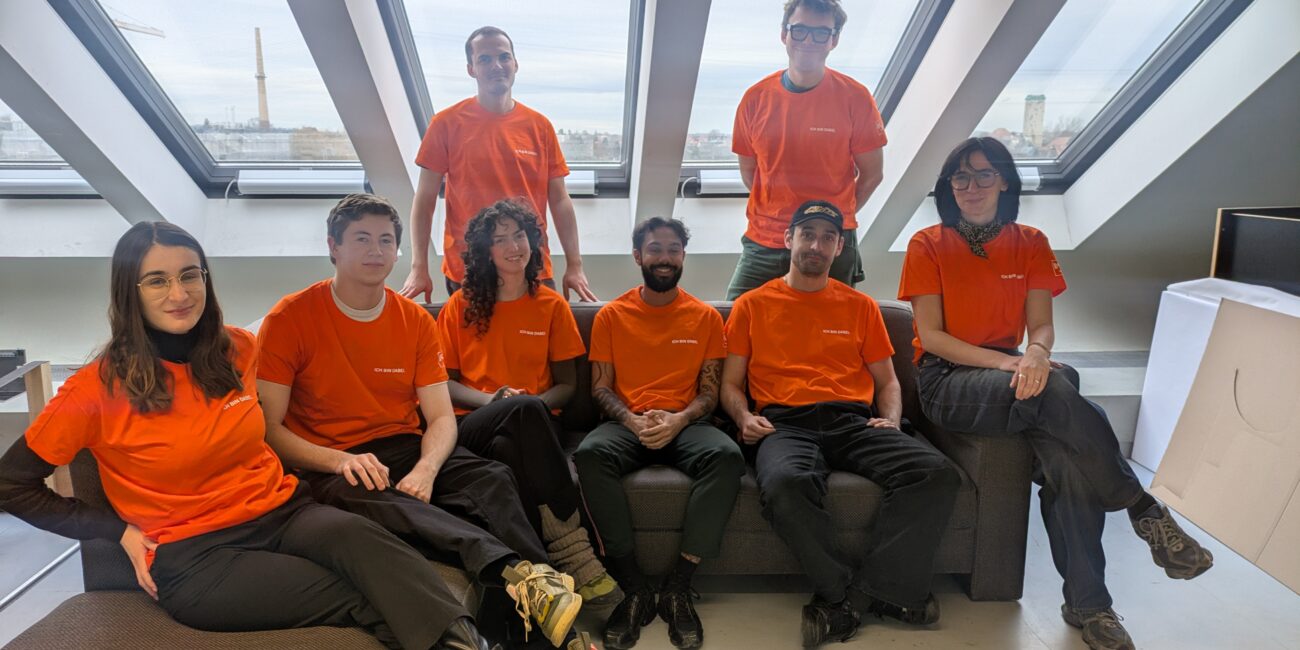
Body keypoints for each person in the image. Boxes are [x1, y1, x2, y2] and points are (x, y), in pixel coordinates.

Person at [0, 221, 497, 650]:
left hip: (283, 513)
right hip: (196, 554)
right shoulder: (94, 389)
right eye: (157, 280)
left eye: (189, 274)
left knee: (382, 554)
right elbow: (10, 485)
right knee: (366, 596)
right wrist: (116, 530)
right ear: (130, 291)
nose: (179, 293)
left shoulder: (237, 349)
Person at [898, 137, 1213, 650]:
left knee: (1069, 465)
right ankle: (1141, 507)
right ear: (948, 186)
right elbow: (931, 337)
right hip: (948, 379)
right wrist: (1010, 361)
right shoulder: (927, 244)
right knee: (1059, 386)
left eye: (983, 174)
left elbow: (1040, 326)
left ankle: (1090, 607)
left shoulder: (1031, 242)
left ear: (1004, 180)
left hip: (1011, 373)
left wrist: (1037, 354)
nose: (971, 187)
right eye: (960, 177)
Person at [257, 194, 584, 649]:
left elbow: (441, 416)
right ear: (334, 246)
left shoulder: (414, 320)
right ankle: (523, 579)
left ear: (397, 251)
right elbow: (269, 429)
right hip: (333, 459)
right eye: (362, 239)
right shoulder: (289, 317)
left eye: (385, 241)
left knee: (492, 477)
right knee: (375, 496)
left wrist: (427, 469)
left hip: (404, 442)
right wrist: (339, 462)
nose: (376, 251)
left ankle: (537, 614)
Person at [721, 200, 960, 648]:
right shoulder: (751, 305)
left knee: (936, 473)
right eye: (807, 234)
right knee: (785, 484)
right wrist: (744, 416)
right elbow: (731, 384)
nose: (816, 245)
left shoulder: (860, 306)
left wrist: (890, 420)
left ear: (839, 248)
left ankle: (854, 598)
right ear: (788, 239)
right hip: (784, 423)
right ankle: (855, 592)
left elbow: (888, 381)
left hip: (854, 421)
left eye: (828, 237)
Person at [436, 199, 618, 612]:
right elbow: (442, 383)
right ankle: (577, 556)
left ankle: (537, 578)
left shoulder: (551, 305)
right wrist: (494, 400)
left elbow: (568, 386)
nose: (513, 246)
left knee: (510, 445)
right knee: (518, 415)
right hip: (474, 422)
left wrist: (529, 403)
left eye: (519, 235)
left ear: (532, 241)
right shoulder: (460, 305)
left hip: (537, 424)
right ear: (485, 251)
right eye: (500, 239)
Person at [574, 217, 745, 650]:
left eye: (673, 249)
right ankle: (633, 588)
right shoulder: (611, 315)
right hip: (626, 423)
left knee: (727, 457)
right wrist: (632, 421)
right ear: (638, 256)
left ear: (683, 256)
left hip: (686, 423)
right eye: (655, 249)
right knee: (589, 454)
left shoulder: (705, 317)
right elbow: (600, 388)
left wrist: (678, 420)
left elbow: (709, 392)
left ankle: (678, 587)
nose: (664, 258)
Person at [401, 25, 596, 303]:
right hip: (469, 269)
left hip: (531, 266)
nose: (497, 65)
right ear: (471, 69)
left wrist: (575, 265)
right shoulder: (446, 124)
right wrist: (418, 267)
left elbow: (560, 200)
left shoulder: (539, 126)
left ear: (515, 64)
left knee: (544, 333)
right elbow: (425, 199)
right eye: (485, 59)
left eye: (504, 57)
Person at [726, 0, 887, 300]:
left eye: (821, 33)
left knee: (832, 326)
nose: (809, 41)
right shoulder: (755, 99)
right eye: (800, 30)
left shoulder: (855, 98)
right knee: (733, 319)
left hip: (829, 242)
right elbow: (751, 173)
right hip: (765, 240)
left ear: (834, 40)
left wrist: (830, 220)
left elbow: (872, 175)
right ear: (784, 34)